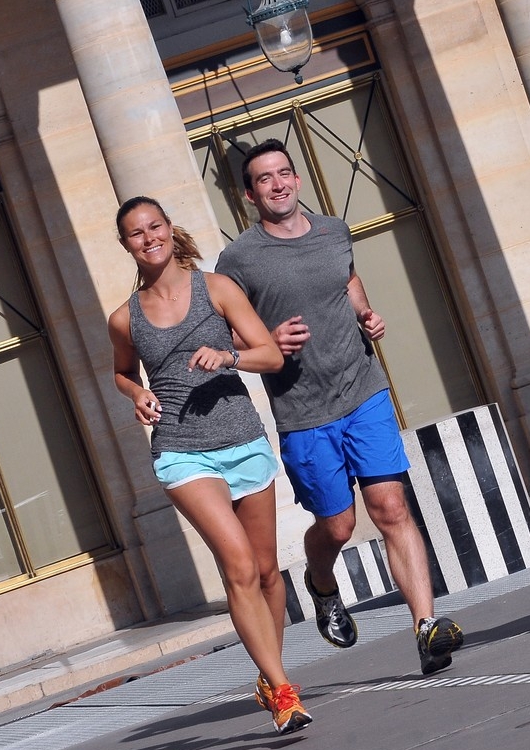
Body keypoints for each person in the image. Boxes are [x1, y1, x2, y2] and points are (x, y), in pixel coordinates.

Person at [215, 139, 464, 675]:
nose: (278, 184)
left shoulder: (334, 230)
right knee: (339, 527)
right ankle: (322, 583)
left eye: (285, 173)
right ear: (249, 194)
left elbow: (347, 279)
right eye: (265, 179)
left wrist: (367, 314)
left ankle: (426, 628)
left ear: (298, 179)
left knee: (392, 509)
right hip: (303, 412)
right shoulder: (238, 259)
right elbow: (227, 328)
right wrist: (268, 341)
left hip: (363, 389)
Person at [107, 196, 312, 734]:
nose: (148, 237)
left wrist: (227, 357)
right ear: (126, 244)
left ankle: (273, 678)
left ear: (170, 230)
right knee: (240, 567)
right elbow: (121, 372)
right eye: (135, 233)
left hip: (243, 441)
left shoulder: (216, 289)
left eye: (155, 226)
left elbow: (269, 354)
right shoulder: (124, 318)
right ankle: (285, 692)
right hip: (180, 450)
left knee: (268, 573)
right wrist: (137, 394)